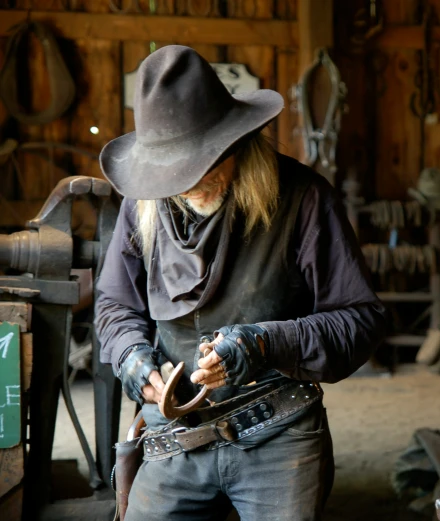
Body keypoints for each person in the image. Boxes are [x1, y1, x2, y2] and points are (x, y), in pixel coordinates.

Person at [94, 44, 387, 521]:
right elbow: (114, 303)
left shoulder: (305, 199)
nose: (186, 184)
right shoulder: (142, 206)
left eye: (198, 164)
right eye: (172, 171)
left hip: (278, 428)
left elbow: (361, 319)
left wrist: (263, 344)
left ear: (234, 141)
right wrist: (132, 358)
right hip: (175, 437)